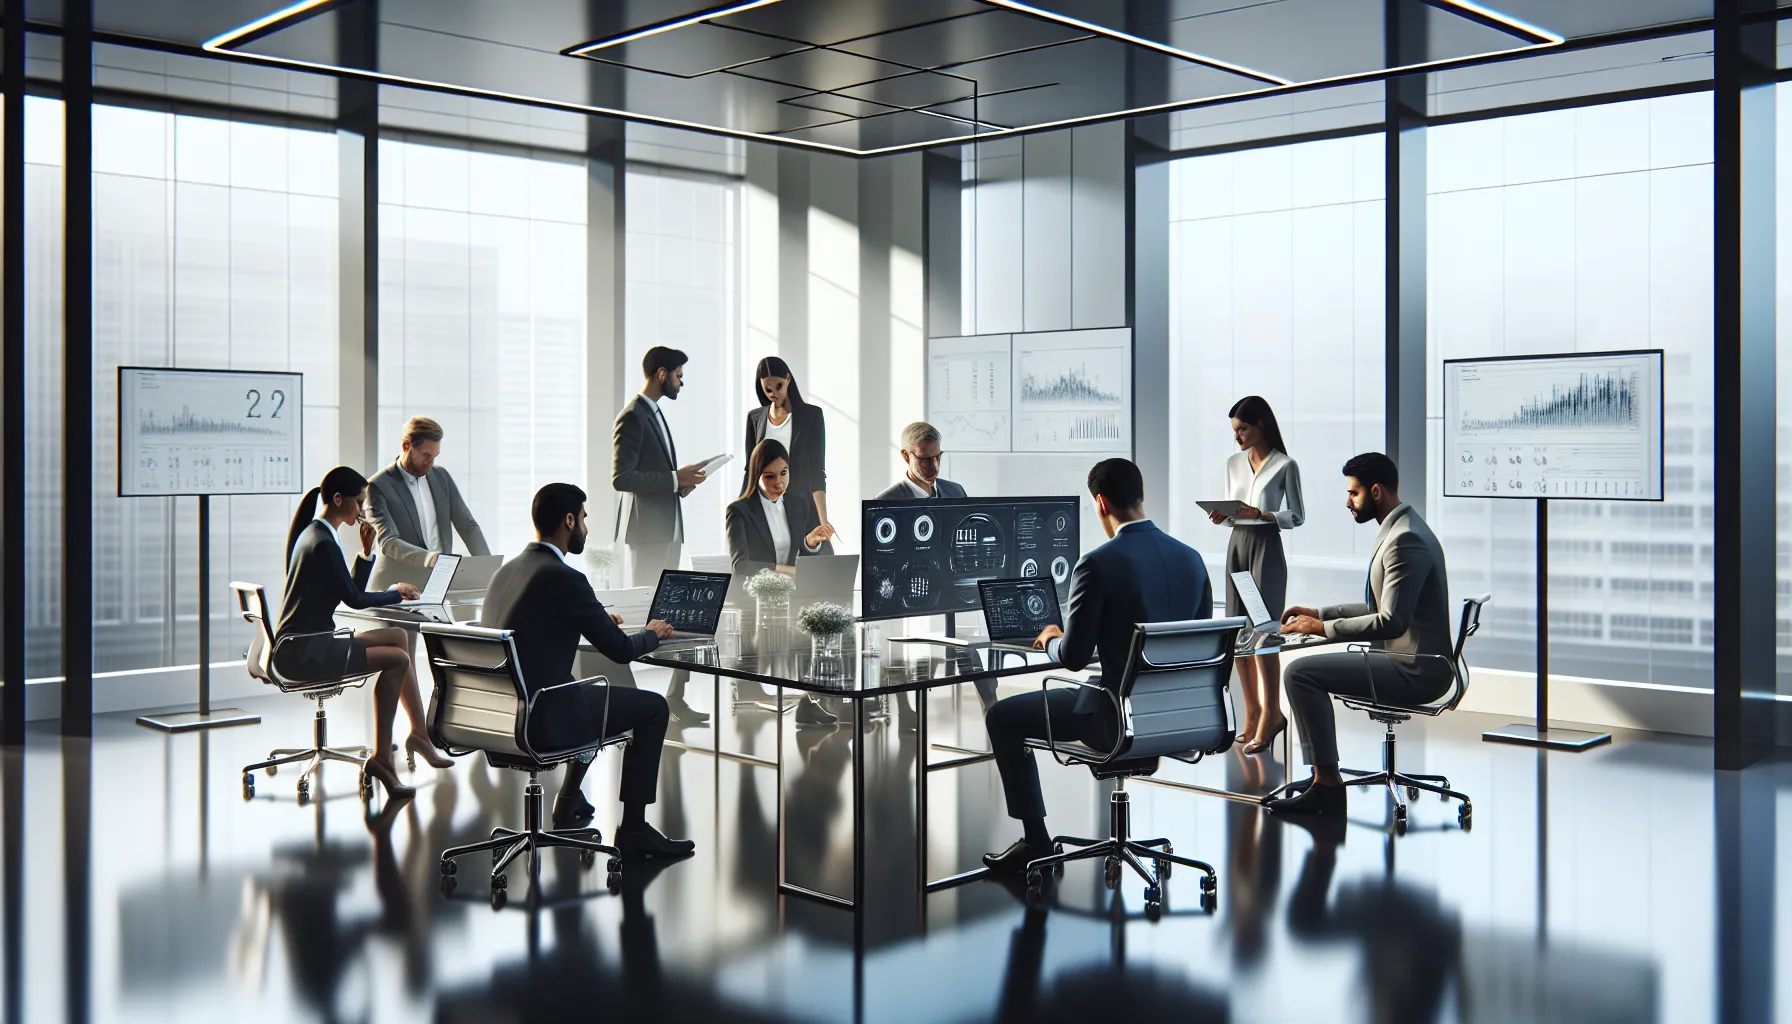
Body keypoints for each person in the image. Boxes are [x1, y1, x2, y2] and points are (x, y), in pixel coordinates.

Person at [979, 459, 1213, 873]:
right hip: (1180, 719)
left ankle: (1036, 843)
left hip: (1115, 719)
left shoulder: (1097, 563)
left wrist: (1052, 639)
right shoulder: (1192, 559)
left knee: (1001, 716)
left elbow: (1072, 657)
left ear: (1101, 502)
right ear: (1141, 496)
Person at [480, 482, 696, 860]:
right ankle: (633, 831)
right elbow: (621, 650)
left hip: (497, 714)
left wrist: (594, 619)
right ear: (568, 520)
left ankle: (568, 798)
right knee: (653, 708)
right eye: (583, 518)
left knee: (592, 693)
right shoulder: (564, 578)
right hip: (542, 719)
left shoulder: (507, 572)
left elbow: (537, 623)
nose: (585, 526)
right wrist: (653, 633)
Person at [1263, 452, 1453, 817]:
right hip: (1410, 660)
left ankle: (1327, 786)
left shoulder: (1405, 540)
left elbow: (1391, 623)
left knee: (1299, 673)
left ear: (1376, 491)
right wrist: (1319, 614)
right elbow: (1378, 608)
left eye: (1353, 494)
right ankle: (1323, 774)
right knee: (1303, 670)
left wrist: (1322, 629)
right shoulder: (1402, 528)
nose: (1347, 502)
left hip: (1414, 669)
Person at [277, 466, 446, 800]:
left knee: (397, 635)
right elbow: (354, 599)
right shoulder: (323, 541)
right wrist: (396, 591)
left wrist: (366, 554)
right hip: (308, 654)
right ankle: (383, 760)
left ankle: (418, 734)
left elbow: (346, 589)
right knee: (398, 659)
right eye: (358, 502)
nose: (361, 510)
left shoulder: (315, 534)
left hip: (305, 645)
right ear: (338, 499)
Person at [613, 346, 712, 723]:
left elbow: (652, 476)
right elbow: (621, 478)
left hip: (666, 530)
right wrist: (674, 478)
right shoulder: (633, 416)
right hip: (648, 535)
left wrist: (680, 484)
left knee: (674, 615)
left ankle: (676, 697)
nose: (681, 381)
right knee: (646, 618)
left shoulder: (653, 413)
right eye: (678, 375)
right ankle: (633, 704)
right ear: (661, 374)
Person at [1208, 396, 1304, 754]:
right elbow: (1234, 510)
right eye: (1235, 431)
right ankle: (1252, 714)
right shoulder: (1233, 463)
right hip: (1238, 544)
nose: (1238, 437)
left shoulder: (1284, 465)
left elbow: (1296, 515)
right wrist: (1225, 515)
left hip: (1266, 546)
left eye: (1243, 429)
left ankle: (1271, 714)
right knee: (1239, 634)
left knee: (1264, 632)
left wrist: (1263, 514)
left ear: (1261, 424)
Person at [726, 439, 839, 727]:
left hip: (791, 595)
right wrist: (787, 572)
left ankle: (820, 700)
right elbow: (741, 565)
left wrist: (810, 543)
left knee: (826, 618)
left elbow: (796, 549)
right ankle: (811, 700)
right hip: (755, 599)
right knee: (803, 628)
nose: (779, 482)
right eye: (770, 476)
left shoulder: (798, 503)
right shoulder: (739, 510)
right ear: (756, 475)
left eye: (784, 473)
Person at [364, 415, 491, 591]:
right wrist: (430, 559)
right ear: (406, 446)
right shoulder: (376, 486)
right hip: (394, 589)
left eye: (434, 456)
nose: (430, 463)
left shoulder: (441, 477)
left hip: (436, 586)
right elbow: (388, 541)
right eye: (426, 455)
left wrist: (487, 570)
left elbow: (467, 524)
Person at [743, 356, 832, 535]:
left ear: (788, 379)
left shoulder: (811, 416)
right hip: (764, 511)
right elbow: (750, 472)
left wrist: (823, 520)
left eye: (778, 386)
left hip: (802, 509)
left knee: (815, 558)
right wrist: (742, 513)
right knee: (768, 563)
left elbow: (817, 471)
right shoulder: (755, 419)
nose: (773, 393)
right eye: (767, 389)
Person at [874, 421, 968, 500]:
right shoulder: (885, 501)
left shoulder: (957, 492)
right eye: (924, 459)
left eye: (938, 457)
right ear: (906, 456)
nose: (934, 467)